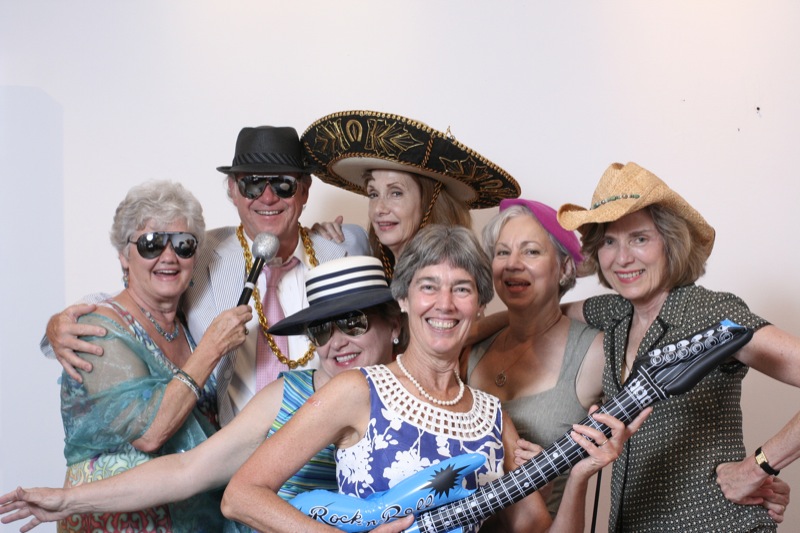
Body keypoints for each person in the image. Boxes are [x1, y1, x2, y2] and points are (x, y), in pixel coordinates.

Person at [219, 224, 648, 533]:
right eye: (428, 286)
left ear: (480, 306)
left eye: (462, 288)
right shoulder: (357, 390)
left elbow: (536, 530)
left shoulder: (493, 417)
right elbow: (241, 494)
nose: (444, 304)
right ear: (403, 300)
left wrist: (579, 476)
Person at [0, 256, 404, 533]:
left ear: (396, 326)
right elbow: (186, 470)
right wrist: (68, 501)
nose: (336, 342)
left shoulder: (425, 397)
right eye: (321, 329)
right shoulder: (287, 396)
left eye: (353, 323)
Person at [43, 126, 371, 425]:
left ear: (304, 191)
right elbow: (141, 294)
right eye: (253, 184)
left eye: (283, 184)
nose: (268, 197)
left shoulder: (344, 247)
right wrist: (61, 323)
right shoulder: (199, 253)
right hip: (231, 455)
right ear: (233, 190)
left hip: (328, 442)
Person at [556, 161, 796, 531]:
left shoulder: (711, 312)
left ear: (671, 242)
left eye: (639, 238)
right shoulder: (614, 312)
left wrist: (758, 467)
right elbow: (539, 314)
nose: (622, 258)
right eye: (608, 241)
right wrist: (472, 328)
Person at [53, 181, 252, 532]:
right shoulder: (98, 328)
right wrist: (211, 350)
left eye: (183, 244)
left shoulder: (189, 325)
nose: (169, 257)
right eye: (151, 243)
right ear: (123, 255)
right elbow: (148, 433)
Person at [462, 198, 605, 517]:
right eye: (502, 252)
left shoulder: (594, 351)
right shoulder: (471, 349)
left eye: (531, 251)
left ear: (565, 267)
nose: (512, 264)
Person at [302, 110, 521, 278]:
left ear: (430, 202)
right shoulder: (373, 270)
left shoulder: (451, 278)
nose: (379, 209)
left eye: (396, 193)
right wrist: (316, 244)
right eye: (373, 194)